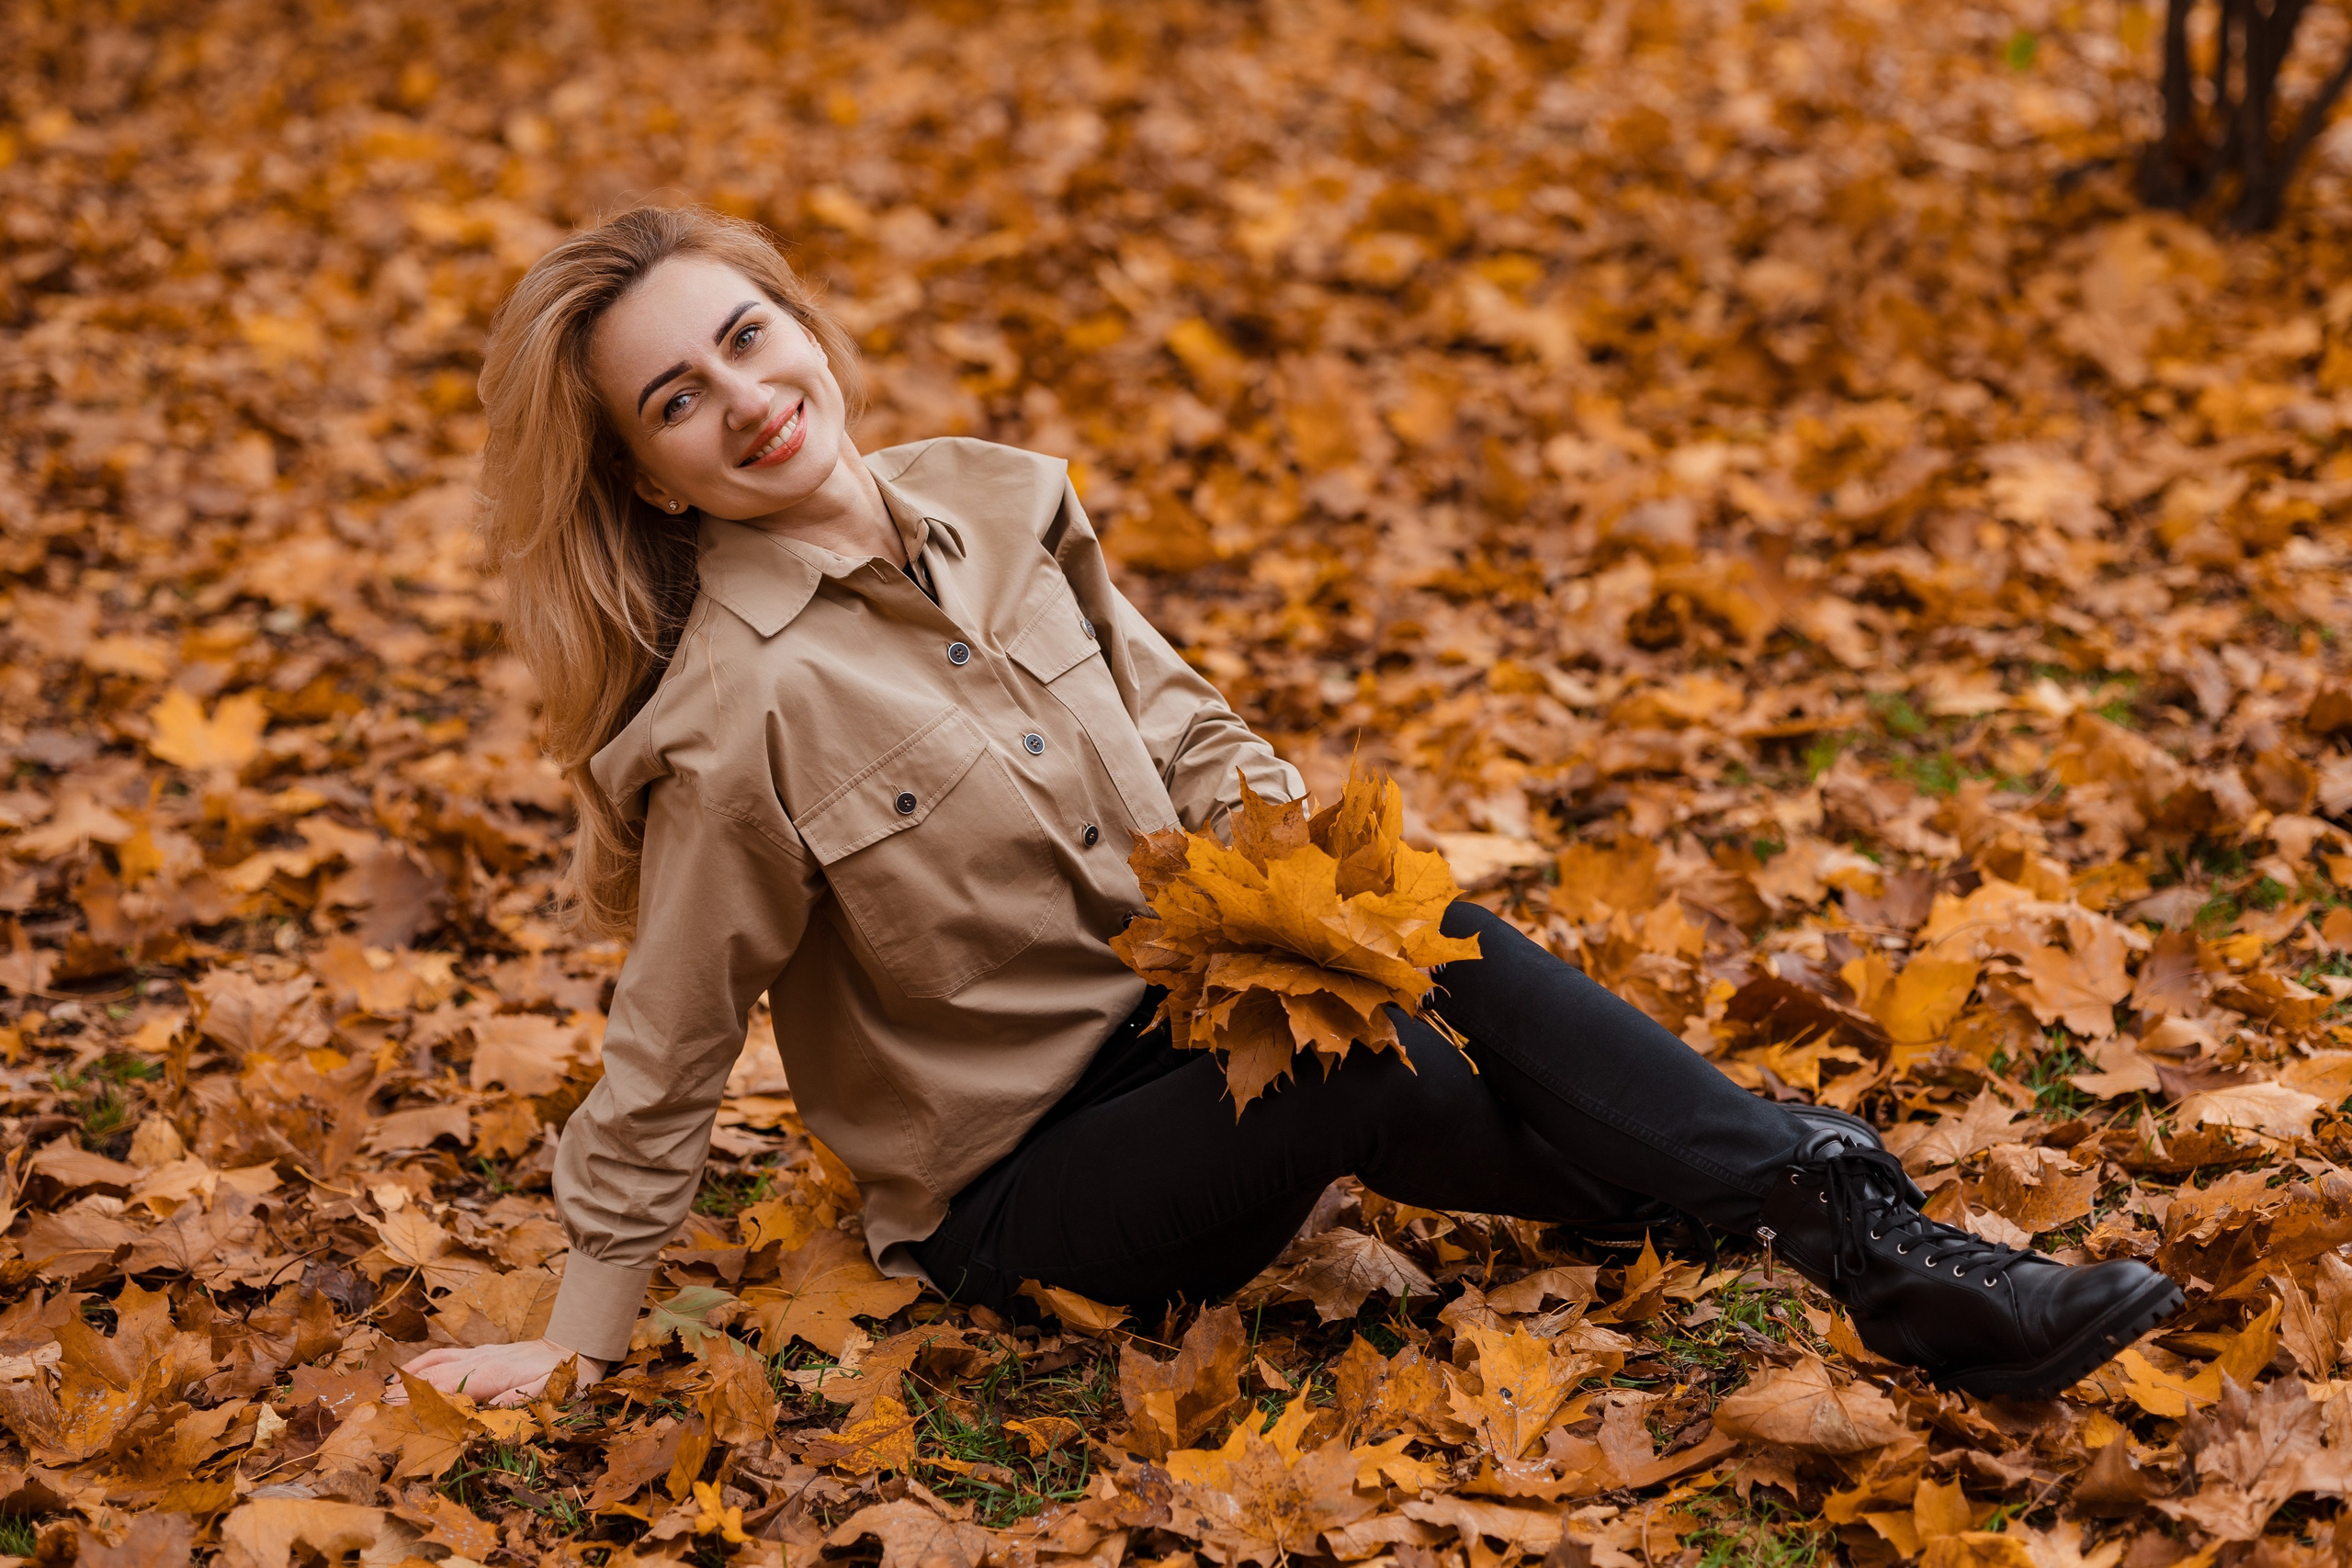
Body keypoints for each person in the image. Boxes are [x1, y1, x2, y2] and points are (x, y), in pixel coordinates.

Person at [393, 205, 2180, 1411]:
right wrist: (578, 1334)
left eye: (746, 335)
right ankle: (1832, 1210)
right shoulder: (733, 711)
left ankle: (1850, 1235)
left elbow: (1190, 736)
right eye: (677, 400)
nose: (747, 401)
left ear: (801, 317)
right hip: (1019, 1187)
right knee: (1355, 1059)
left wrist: (1333, 909)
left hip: (1190, 1012)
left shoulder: (1003, 506)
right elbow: (673, 1028)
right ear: (644, 472)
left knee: (1407, 934)